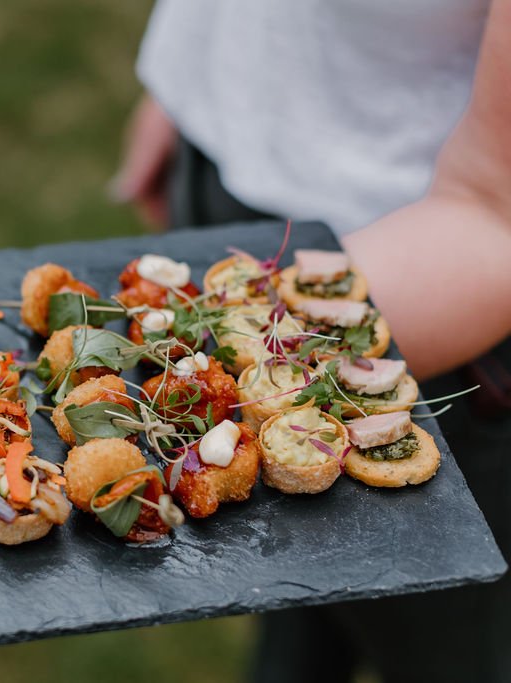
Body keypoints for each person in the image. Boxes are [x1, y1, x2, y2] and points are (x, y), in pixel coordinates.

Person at [113, 1, 511, 681]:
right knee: (293, 603)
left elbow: (495, 208)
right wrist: (189, 82)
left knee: (450, 653)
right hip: (230, 174)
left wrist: (251, 349)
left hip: (428, 290)